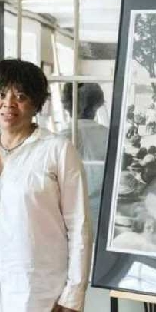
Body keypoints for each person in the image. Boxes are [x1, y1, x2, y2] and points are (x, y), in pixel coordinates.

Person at [0, 59, 92, 312]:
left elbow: (79, 225)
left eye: (20, 96)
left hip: (39, 294)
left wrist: (73, 295)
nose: (8, 104)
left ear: (35, 104)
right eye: (1, 94)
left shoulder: (57, 150)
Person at [60, 82, 108, 235]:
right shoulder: (108, 134)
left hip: (69, 211)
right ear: (96, 106)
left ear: (67, 106)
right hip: (101, 210)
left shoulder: (60, 137)